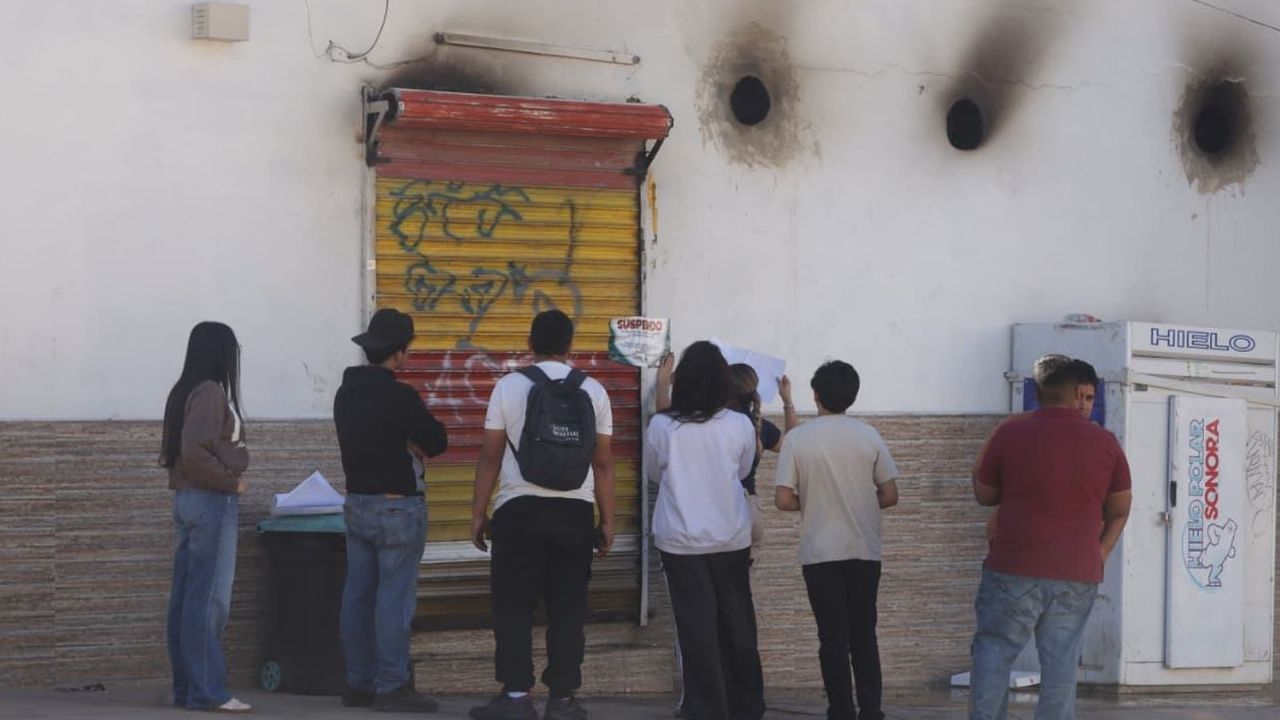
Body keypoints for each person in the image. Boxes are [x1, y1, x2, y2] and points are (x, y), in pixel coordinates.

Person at [469, 310, 616, 720]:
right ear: (571, 346)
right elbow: (603, 464)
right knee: (568, 607)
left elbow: (490, 455)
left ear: (530, 343)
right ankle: (563, 699)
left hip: (518, 512)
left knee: (513, 605)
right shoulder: (595, 392)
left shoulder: (509, 387)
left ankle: (516, 696)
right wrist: (607, 521)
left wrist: (478, 512)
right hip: (575, 513)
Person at [968, 354, 1132, 720]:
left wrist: (994, 438)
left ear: (1037, 390)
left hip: (1012, 569)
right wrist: (1100, 552)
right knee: (1060, 663)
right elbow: (1120, 508)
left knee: (994, 653)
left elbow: (984, 494)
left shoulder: (1011, 432)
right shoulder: (1106, 442)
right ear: (1077, 392)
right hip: (1077, 573)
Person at [334, 308, 448, 713]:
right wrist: (410, 442)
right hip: (397, 509)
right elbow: (435, 440)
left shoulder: (344, 394)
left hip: (356, 504)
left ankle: (358, 683)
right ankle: (392, 684)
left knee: (358, 595)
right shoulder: (400, 396)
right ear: (398, 354)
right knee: (393, 599)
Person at [774, 361, 900, 720]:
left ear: (815, 395)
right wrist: (858, 499)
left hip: (820, 554)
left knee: (832, 638)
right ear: (853, 395)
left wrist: (815, 501)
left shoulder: (799, 440)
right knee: (864, 634)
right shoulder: (869, 435)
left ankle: (840, 710)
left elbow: (783, 500)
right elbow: (890, 494)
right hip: (864, 551)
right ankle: (872, 710)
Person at [647, 341, 766, 720]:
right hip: (730, 536)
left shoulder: (663, 425)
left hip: (680, 541)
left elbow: (654, 473)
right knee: (738, 624)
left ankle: (705, 709)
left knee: (696, 630)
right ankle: (746, 706)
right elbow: (745, 468)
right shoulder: (739, 425)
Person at [160, 321, 252, 714]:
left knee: (186, 598)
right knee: (209, 599)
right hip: (210, 500)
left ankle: (188, 688)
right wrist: (231, 484)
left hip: (187, 498)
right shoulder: (212, 392)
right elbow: (195, 451)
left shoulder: (184, 391)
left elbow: (186, 451)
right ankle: (207, 691)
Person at [983, 358, 1100, 542]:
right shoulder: (1028, 432)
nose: (1083, 405)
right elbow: (988, 494)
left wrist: (1101, 550)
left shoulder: (1099, 441)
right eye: (1078, 397)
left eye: (1089, 398)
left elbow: (1113, 507)